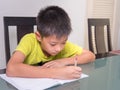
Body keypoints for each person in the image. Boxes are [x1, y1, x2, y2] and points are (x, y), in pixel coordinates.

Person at [6, 6, 95, 80]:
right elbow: (11, 68)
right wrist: (56, 73)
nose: (59, 48)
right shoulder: (29, 40)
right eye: (53, 44)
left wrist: (63, 61)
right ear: (39, 36)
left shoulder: (62, 46)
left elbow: (90, 55)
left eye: (63, 42)